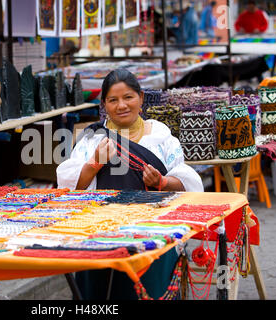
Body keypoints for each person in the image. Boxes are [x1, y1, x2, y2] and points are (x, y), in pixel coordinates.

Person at [56, 69, 203, 299]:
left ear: (141, 98)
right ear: (104, 104)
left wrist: (162, 181)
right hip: (102, 233)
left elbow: (186, 182)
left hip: (155, 233)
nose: (121, 105)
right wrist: (94, 163)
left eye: (128, 97)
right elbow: (69, 188)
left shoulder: (161, 138)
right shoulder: (93, 139)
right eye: (113, 100)